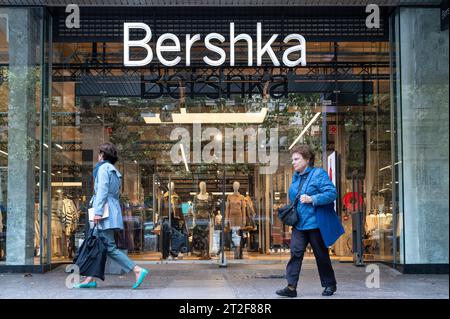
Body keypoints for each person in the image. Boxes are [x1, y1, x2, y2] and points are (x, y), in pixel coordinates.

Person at [74, 142, 149, 289]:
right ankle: (89, 279)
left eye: (99, 153)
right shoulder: (113, 170)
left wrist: (97, 212)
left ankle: (137, 269)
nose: (97, 156)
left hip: (103, 212)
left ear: (102, 155)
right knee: (98, 244)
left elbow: (102, 191)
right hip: (111, 210)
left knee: (108, 246)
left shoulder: (102, 169)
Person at [276, 144, 338, 297]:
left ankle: (330, 284)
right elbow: (293, 198)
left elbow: (332, 193)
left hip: (315, 224)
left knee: (321, 255)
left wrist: (313, 198)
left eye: (296, 159)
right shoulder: (296, 177)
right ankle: (291, 288)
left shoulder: (319, 174)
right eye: (293, 159)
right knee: (295, 253)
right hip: (299, 224)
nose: (294, 162)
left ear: (307, 159)